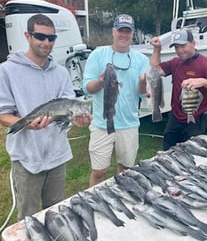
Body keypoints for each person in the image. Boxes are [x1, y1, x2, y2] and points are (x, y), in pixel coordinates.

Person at [0, 14, 92, 221]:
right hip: (26, 158)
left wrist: (78, 119)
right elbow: (3, 114)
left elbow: (69, 109)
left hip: (57, 157)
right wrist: (26, 125)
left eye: (51, 38)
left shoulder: (60, 72)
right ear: (27, 35)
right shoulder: (6, 71)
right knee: (29, 218)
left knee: (55, 211)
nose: (46, 42)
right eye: (40, 36)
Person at [83, 14, 149, 186]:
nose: (124, 35)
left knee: (125, 169)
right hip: (101, 123)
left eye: (128, 31)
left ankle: (120, 198)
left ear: (132, 33)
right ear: (113, 31)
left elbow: (143, 94)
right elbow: (86, 87)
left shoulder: (141, 60)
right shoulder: (98, 54)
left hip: (129, 124)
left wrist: (143, 82)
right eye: (121, 30)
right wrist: (99, 82)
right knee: (99, 171)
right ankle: (94, 200)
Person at [150, 29, 207, 150]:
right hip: (175, 117)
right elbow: (155, 69)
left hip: (196, 119)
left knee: (191, 154)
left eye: (183, 46)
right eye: (176, 47)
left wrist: (203, 81)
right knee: (168, 151)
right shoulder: (175, 62)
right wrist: (157, 48)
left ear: (193, 43)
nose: (179, 50)